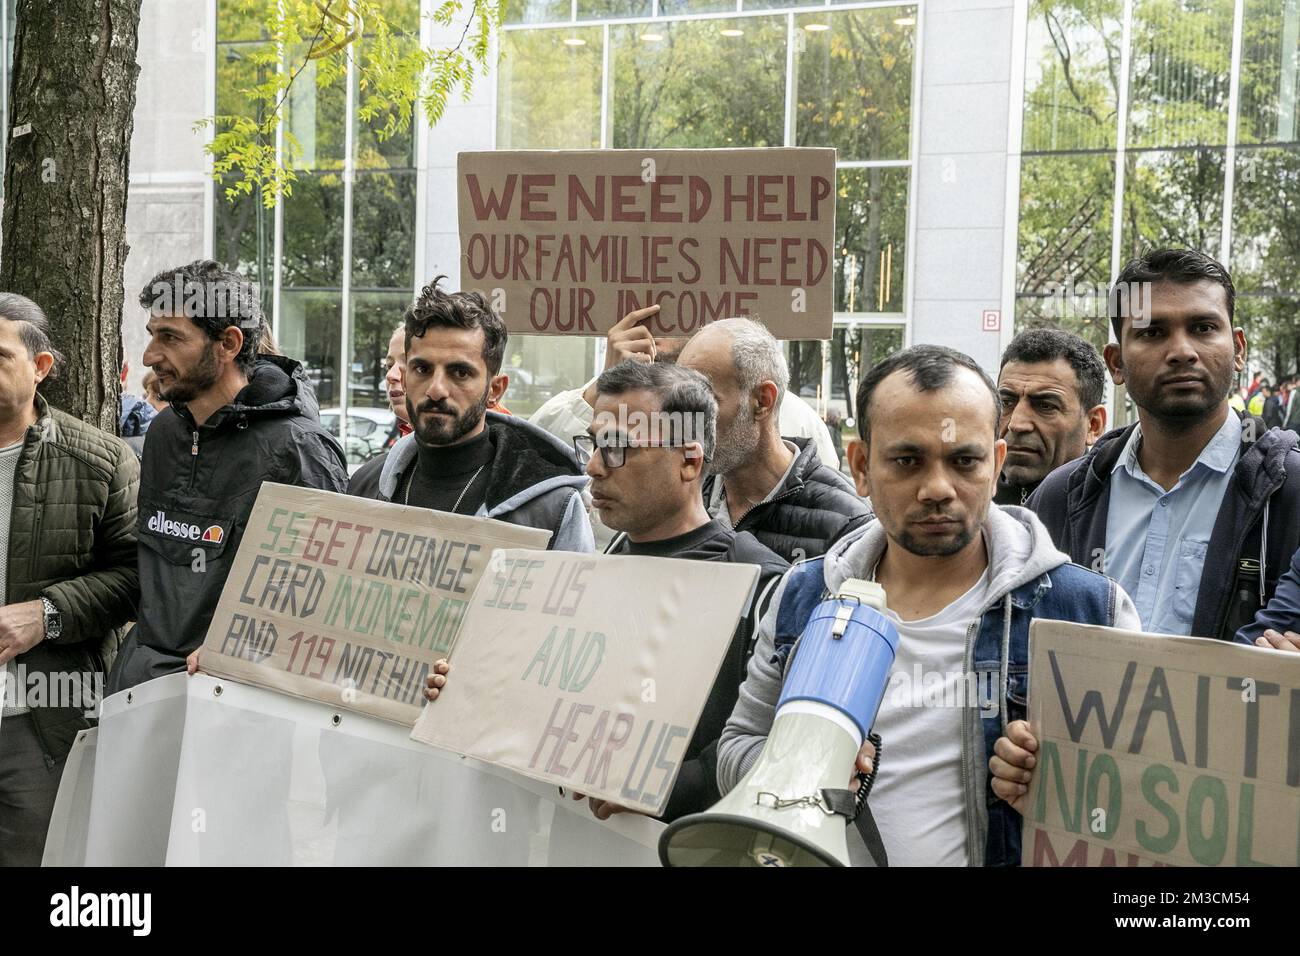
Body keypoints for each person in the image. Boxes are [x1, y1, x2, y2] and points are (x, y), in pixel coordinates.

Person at [716, 344, 1140, 867]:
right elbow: (736, 747)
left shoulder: (1088, 612)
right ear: (861, 467)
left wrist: (1058, 785)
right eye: (907, 460)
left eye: (964, 460)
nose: (937, 488)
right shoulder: (802, 597)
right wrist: (792, 764)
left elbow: (1137, 805)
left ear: (996, 463)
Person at [424, 360, 786, 822]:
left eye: (617, 448)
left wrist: (665, 789)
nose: (593, 467)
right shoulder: (591, 570)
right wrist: (467, 687)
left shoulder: (760, 586)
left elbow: (774, 739)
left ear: (690, 461)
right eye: (593, 444)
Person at [1030, 249, 1300, 641]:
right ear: (1116, 363)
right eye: (1152, 332)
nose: (1182, 352)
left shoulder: (1289, 491)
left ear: (1239, 349)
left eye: (1204, 328)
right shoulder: (1060, 498)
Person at [107, 260, 349, 693]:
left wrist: (241, 654)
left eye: (171, 338)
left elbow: (321, 599)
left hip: (231, 705)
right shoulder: (164, 432)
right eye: (151, 336)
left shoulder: (300, 449)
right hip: (141, 693)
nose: (149, 356)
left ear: (228, 343)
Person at [0, 294, 139, 865]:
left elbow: (137, 576)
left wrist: (47, 614)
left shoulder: (101, 462)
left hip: (41, 728)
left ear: (41, 367)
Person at [529, 305, 841, 546]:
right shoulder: (662, 509)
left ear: (762, 401)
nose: (595, 466)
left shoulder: (839, 520)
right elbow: (543, 466)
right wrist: (607, 387)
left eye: (707, 400)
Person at [347, 278, 593, 552]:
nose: (436, 390)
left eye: (460, 373)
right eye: (422, 370)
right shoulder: (364, 486)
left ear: (495, 390)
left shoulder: (552, 508)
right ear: (404, 380)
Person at [676, 317, 870, 561]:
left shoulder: (847, 524)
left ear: (762, 401)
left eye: (704, 403)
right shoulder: (677, 499)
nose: (687, 421)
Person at [995, 328, 1107, 506]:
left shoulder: (1111, 512)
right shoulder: (966, 505)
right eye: (1006, 402)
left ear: (1093, 425)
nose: (1016, 424)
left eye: (1045, 406)